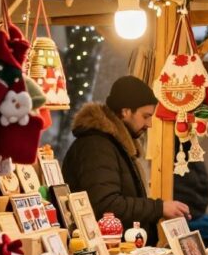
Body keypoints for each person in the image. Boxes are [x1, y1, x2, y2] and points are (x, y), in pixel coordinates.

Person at [63, 76, 190, 244]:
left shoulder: (113, 145)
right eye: (145, 116)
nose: (149, 124)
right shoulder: (96, 147)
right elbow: (106, 205)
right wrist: (159, 208)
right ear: (125, 112)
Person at [173, 139, 208, 248]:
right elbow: (205, 186)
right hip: (197, 215)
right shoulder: (192, 153)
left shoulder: (177, 156)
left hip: (188, 218)